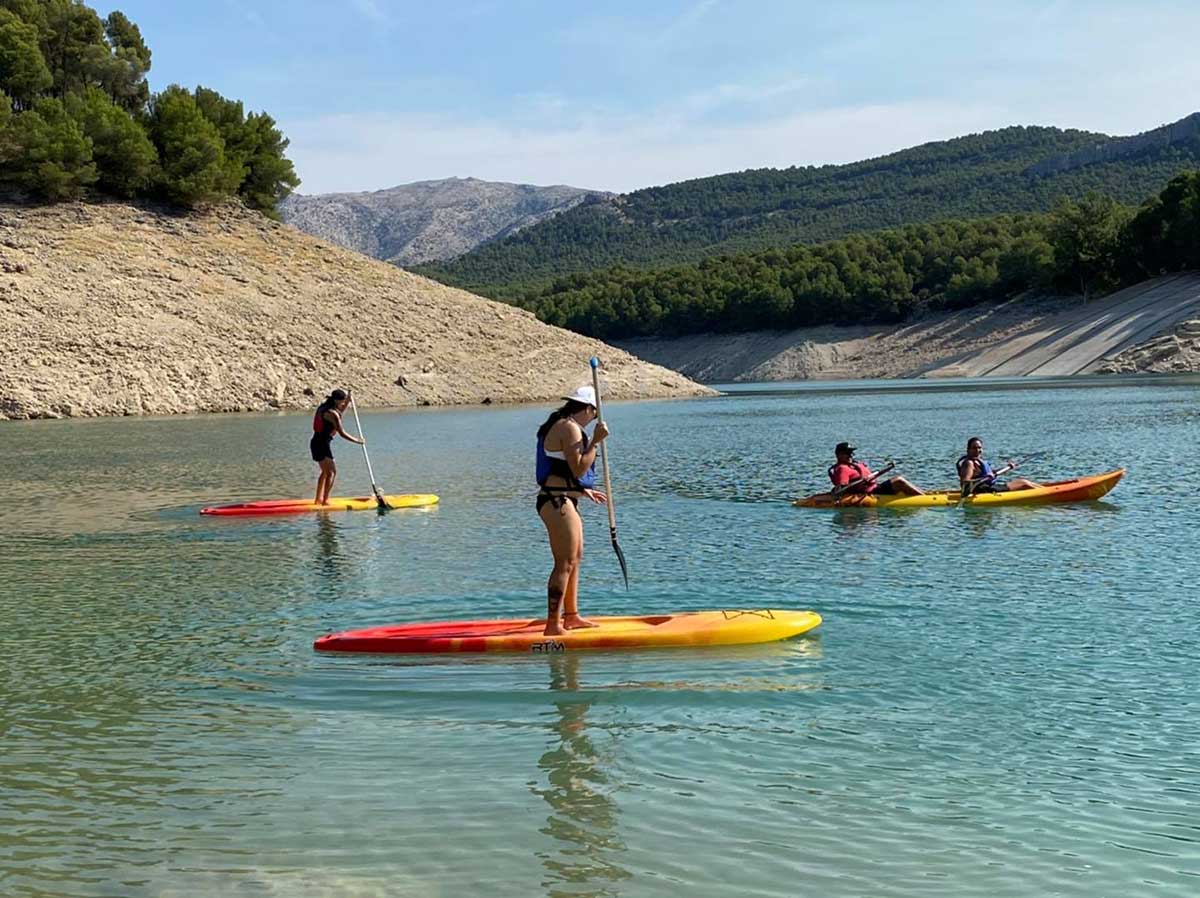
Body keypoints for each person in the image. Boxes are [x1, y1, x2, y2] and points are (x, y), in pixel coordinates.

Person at [536, 385, 610, 637]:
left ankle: (571, 616)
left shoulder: (567, 425)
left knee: (575, 558)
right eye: (595, 412)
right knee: (564, 562)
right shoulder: (568, 427)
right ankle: (552, 625)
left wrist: (582, 491)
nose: (595, 418)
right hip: (555, 501)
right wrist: (596, 443)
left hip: (565, 497)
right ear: (588, 409)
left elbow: (566, 470)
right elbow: (578, 467)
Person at [310, 389, 365, 505]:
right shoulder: (331, 413)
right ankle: (325, 501)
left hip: (317, 443)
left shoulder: (325, 407)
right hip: (321, 445)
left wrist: (348, 401)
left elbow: (339, 413)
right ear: (336, 400)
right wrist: (357, 441)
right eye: (342, 401)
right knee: (332, 472)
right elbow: (342, 433)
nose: (343, 403)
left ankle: (318, 500)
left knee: (325, 472)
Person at [828, 441, 924, 497]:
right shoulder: (842, 469)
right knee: (898, 481)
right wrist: (859, 483)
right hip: (870, 493)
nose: (850, 455)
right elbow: (841, 489)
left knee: (898, 480)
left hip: (876, 488)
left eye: (851, 452)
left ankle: (922, 494)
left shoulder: (854, 464)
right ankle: (924, 498)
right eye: (847, 453)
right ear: (838, 455)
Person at [957, 437, 1040, 494]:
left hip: (989, 487)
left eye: (979, 448)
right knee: (1023, 483)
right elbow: (965, 483)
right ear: (968, 449)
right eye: (974, 448)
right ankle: (1047, 492)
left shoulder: (977, 461)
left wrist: (1007, 468)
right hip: (984, 491)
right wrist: (982, 478)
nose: (978, 450)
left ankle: (1044, 489)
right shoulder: (969, 463)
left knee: (1023, 481)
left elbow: (990, 473)